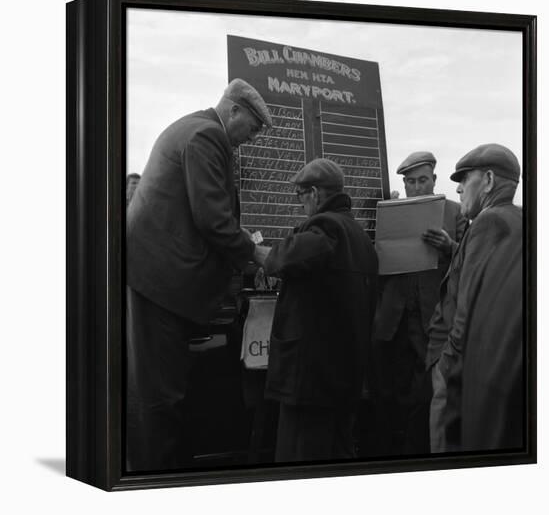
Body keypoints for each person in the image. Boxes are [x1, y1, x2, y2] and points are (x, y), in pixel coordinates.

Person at [125, 78, 272, 471]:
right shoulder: (208, 136)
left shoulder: (194, 129)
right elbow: (213, 219)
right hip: (162, 284)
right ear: (233, 110)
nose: (254, 138)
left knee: (161, 388)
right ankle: (155, 477)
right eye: (253, 127)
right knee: (160, 394)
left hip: (158, 280)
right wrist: (257, 254)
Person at [262, 158, 379, 463]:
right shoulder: (360, 235)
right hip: (343, 378)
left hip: (312, 382)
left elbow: (285, 260)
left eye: (301, 196)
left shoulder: (327, 226)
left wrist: (251, 249)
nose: (301, 205)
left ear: (314, 193)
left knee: (299, 458)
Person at [426, 143, 523, 453]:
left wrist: (446, 367)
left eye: (464, 179)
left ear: (489, 181)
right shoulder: (518, 220)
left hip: (460, 372)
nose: (457, 190)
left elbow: (466, 313)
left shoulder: (488, 222)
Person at [371, 151, 468, 455]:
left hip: (431, 318)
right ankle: (392, 449)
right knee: (390, 387)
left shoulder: (455, 212)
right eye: (410, 181)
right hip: (393, 318)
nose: (416, 187)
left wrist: (449, 247)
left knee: (424, 390)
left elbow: (471, 260)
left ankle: (420, 448)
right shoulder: (392, 210)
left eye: (422, 180)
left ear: (434, 181)